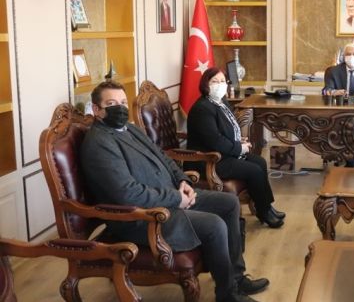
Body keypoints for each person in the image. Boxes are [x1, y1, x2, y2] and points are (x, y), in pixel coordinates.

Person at [80, 81, 269, 302]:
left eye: (122, 102)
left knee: (229, 202)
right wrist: (176, 198)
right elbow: (127, 194)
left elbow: (163, 156)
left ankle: (236, 278)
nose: (120, 108)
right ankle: (228, 295)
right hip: (143, 217)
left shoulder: (130, 129)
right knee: (214, 225)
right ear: (96, 109)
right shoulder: (99, 143)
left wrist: (183, 181)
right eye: (112, 104)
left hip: (170, 196)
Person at [187, 68, 285, 228]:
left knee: (260, 162)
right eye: (214, 81)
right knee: (254, 170)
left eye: (222, 81)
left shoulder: (221, 103)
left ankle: (265, 207)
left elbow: (226, 130)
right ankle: (265, 212)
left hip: (224, 153)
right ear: (205, 85)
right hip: (209, 159)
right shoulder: (202, 109)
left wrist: (238, 139)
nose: (219, 85)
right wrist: (239, 148)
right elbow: (215, 140)